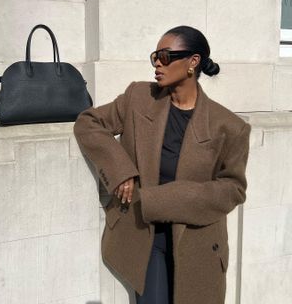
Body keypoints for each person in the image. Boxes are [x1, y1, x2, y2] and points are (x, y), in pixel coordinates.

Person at [73, 25, 251, 304]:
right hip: (145, 234)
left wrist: (163, 199)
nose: (157, 63)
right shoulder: (138, 97)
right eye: (154, 56)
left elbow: (233, 189)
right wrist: (121, 172)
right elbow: (88, 122)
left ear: (193, 62)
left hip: (198, 241)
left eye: (165, 56)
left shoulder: (229, 127)